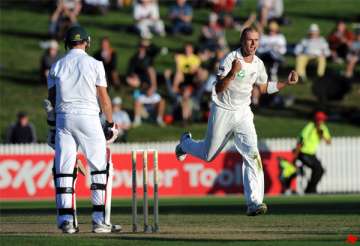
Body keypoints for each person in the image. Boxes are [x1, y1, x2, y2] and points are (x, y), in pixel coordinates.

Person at [175, 27, 299, 216]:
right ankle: (185, 143)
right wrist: (233, 72)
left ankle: (254, 203)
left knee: (252, 154)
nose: (253, 44)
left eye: (256, 40)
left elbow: (264, 87)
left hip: (243, 113)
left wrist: (286, 83)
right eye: (250, 40)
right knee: (208, 156)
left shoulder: (258, 63)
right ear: (242, 41)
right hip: (222, 110)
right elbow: (218, 88)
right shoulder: (230, 58)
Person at [47, 25, 120, 234]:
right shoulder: (95, 64)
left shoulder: (57, 65)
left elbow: (51, 101)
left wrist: (52, 125)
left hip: (64, 119)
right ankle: (99, 220)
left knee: (64, 170)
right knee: (98, 168)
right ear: (87, 42)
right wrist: (110, 123)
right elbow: (104, 98)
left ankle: (66, 221)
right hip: (88, 117)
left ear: (67, 43)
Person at [293, 111, 331, 194]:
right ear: (316, 120)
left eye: (323, 120)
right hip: (303, 153)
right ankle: (311, 190)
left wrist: (322, 135)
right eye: (320, 120)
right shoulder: (310, 127)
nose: (322, 122)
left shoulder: (323, 128)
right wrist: (295, 155)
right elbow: (301, 141)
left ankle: (310, 190)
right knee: (317, 168)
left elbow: (329, 142)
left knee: (320, 170)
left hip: (311, 154)